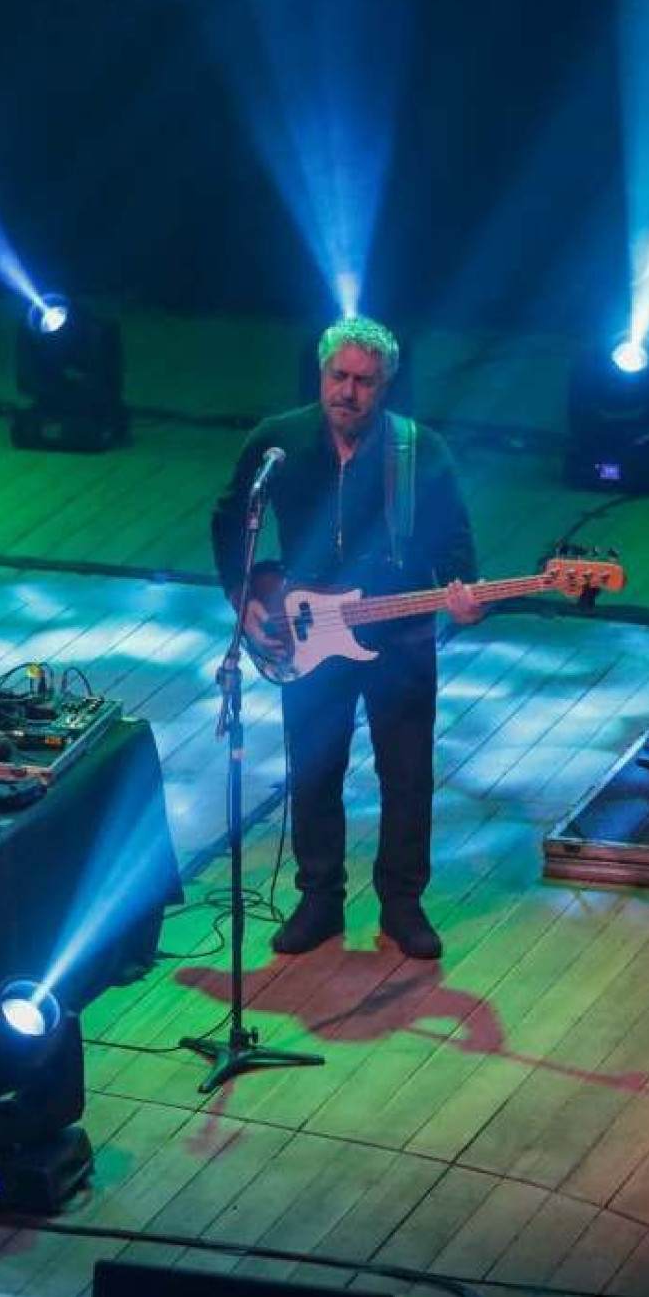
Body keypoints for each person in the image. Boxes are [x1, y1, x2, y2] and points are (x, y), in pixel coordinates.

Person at [211, 316, 480, 960]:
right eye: (339, 377)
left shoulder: (419, 451)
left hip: (401, 636)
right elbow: (229, 519)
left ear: (385, 386)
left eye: (364, 381)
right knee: (314, 769)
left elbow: (456, 543)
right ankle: (320, 898)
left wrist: (467, 596)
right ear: (321, 373)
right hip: (307, 632)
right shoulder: (277, 442)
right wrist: (243, 597)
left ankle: (403, 905)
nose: (349, 392)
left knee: (407, 775)